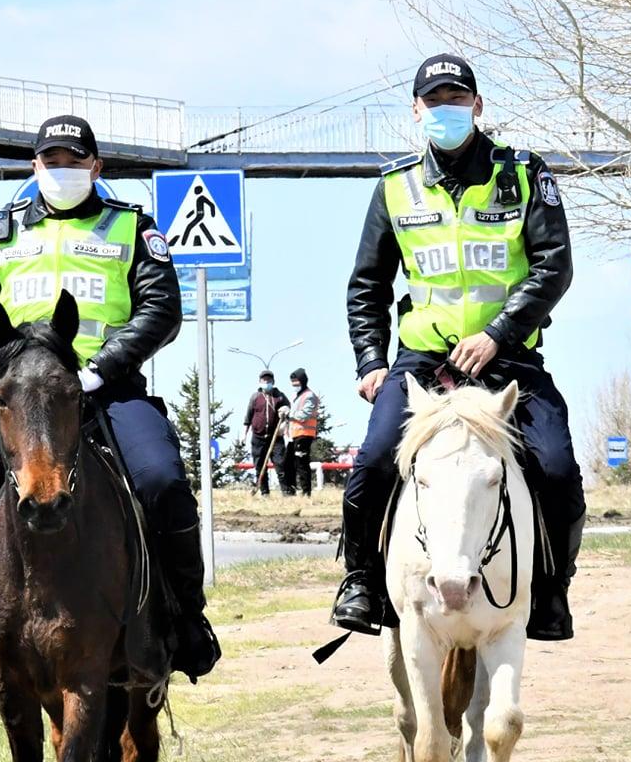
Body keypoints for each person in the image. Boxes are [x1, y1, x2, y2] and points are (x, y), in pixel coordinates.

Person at [0, 114, 221, 683]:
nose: (62, 169)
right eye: (51, 160)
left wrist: (101, 368)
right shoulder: (1, 231)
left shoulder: (133, 229)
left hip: (106, 392)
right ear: (33, 166)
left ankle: (186, 617)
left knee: (163, 481)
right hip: (25, 397)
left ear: (96, 166)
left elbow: (161, 309)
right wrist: (7, 360)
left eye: (73, 160)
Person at [332, 54, 585, 641]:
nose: (446, 109)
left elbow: (555, 265)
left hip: (510, 361)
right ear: (417, 110)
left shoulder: (523, 173)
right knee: (370, 463)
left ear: (477, 105)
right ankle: (362, 581)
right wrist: (371, 361)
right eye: (434, 100)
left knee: (557, 468)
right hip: (424, 366)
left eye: (457, 98)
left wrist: (498, 334)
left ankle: (551, 589)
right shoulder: (394, 187)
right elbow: (368, 283)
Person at [243, 370, 289, 495]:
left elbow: (288, 410)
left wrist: (285, 412)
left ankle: (286, 492)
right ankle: (264, 492)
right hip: (258, 437)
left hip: (275, 437)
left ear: (273, 382)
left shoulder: (279, 396)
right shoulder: (255, 397)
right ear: (260, 382)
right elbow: (248, 417)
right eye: (264, 380)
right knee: (260, 466)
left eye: (269, 381)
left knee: (280, 464)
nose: (266, 382)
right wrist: (244, 435)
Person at [283, 367, 322, 497]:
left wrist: (289, 413)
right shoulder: (297, 397)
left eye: (296, 381)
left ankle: (306, 493)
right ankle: (290, 491)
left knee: (301, 464)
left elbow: (304, 415)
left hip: (304, 435)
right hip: (294, 436)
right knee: (288, 463)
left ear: (303, 381)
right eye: (292, 382)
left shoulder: (309, 396)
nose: (294, 384)